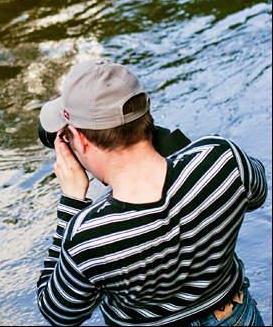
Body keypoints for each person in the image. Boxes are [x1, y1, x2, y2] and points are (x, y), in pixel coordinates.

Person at [36, 58, 267, 326]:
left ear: (80, 139)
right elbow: (257, 194)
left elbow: (60, 313)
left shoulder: (87, 236)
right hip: (235, 315)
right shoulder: (223, 159)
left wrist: (72, 203)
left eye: (67, 137)